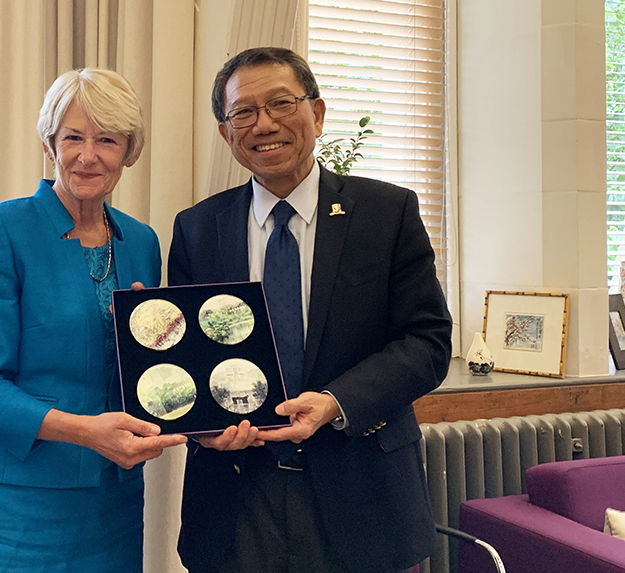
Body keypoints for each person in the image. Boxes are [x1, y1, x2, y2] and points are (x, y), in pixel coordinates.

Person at [168, 47, 453, 573]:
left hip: (363, 492)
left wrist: (333, 402)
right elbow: (187, 358)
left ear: (316, 114)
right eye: (243, 113)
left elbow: (427, 342)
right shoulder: (196, 228)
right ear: (227, 133)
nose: (264, 124)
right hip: (234, 502)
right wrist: (197, 423)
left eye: (280, 103)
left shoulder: (386, 213)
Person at [0, 68, 187, 573]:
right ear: (49, 143)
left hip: (115, 495)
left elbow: (145, 375)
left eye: (107, 140)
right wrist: (86, 432)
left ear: (130, 152)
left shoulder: (142, 242)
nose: (87, 155)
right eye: (73, 137)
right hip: (22, 499)